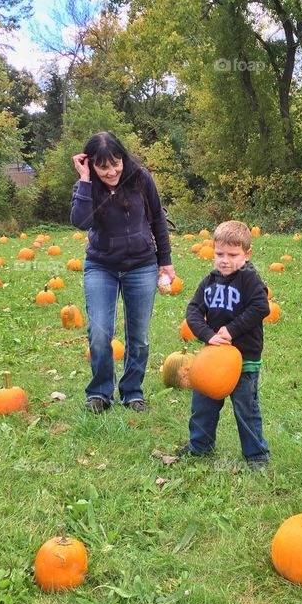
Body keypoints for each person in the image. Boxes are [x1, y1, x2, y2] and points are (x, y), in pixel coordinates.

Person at [70, 132, 174, 413]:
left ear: (122, 158)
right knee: (100, 333)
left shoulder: (140, 178)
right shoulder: (87, 186)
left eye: (115, 163)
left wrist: (166, 261)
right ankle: (100, 393)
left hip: (141, 265)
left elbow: (158, 221)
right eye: (103, 167)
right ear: (90, 164)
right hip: (101, 266)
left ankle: (132, 391)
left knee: (138, 336)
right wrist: (84, 179)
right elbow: (81, 222)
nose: (111, 171)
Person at [179, 221, 270, 471]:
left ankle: (256, 455)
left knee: (246, 409)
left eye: (233, 255)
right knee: (203, 404)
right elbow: (193, 310)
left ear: (247, 254)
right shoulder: (209, 282)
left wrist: (231, 330)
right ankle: (200, 446)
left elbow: (260, 307)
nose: (225, 260)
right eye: (219, 254)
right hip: (214, 358)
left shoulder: (249, 279)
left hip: (244, 358)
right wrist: (208, 335)